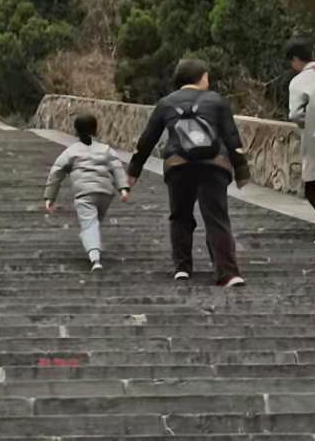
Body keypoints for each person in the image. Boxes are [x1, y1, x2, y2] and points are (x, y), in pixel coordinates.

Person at [128, 58, 248, 287]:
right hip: (214, 165)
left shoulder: (166, 103)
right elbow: (232, 137)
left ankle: (182, 268)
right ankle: (228, 273)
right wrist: (241, 170)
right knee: (216, 218)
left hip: (178, 165)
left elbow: (147, 139)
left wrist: (133, 170)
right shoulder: (217, 101)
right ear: (203, 77)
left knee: (180, 216)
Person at [45, 111, 129, 272]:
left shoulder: (71, 151)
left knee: (89, 223)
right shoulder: (106, 149)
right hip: (105, 193)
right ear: (95, 130)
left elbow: (56, 172)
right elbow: (117, 168)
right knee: (94, 221)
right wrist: (123, 189)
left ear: (75, 131)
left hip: (84, 194)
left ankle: (95, 258)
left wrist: (50, 197)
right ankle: (90, 240)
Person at [287, 39, 315, 227]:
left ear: (296, 59)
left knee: (313, 188)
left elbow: (296, 114)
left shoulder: (299, 81)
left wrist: (310, 123)